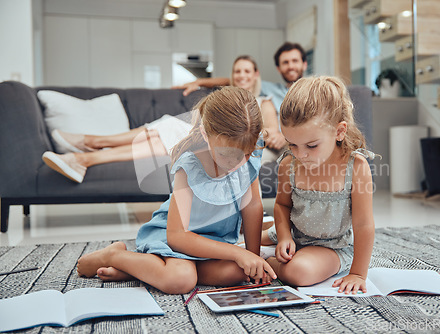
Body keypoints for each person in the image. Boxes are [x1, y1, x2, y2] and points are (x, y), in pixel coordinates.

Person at [76, 86, 277, 294]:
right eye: (226, 154)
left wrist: (252, 258)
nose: (236, 163)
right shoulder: (189, 166)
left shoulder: (249, 154)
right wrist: (237, 253)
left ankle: (147, 269)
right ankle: (114, 256)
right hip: (176, 238)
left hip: (214, 245)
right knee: (181, 280)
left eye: (245, 154)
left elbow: (252, 205)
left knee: (237, 273)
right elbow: (177, 237)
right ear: (206, 135)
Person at [42, 55, 285, 183]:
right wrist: (200, 81)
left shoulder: (262, 101)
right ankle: (89, 150)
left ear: (255, 75)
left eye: (246, 71)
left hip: (235, 145)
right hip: (209, 137)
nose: (241, 76)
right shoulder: (227, 96)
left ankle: (88, 151)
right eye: (237, 71)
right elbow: (221, 84)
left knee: (169, 134)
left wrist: (273, 135)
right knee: (168, 128)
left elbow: (271, 133)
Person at [263, 76, 376, 294]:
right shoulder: (289, 164)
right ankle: (260, 245)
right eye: (292, 144)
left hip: (331, 247)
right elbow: (282, 206)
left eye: (311, 145)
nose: (300, 154)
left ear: (339, 132)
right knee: (235, 247)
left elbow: (363, 225)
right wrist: (285, 236)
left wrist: (358, 273)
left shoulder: (356, 167)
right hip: (292, 235)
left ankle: (263, 261)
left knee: (299, 272)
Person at [174, 42, 308, 112]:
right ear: (279, 68)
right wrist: (199, 82)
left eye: (295, 61)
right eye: (285, 62)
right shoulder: (272, 89)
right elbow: (233, 81)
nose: (290, 66)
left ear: (304, 64)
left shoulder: (314, 92)